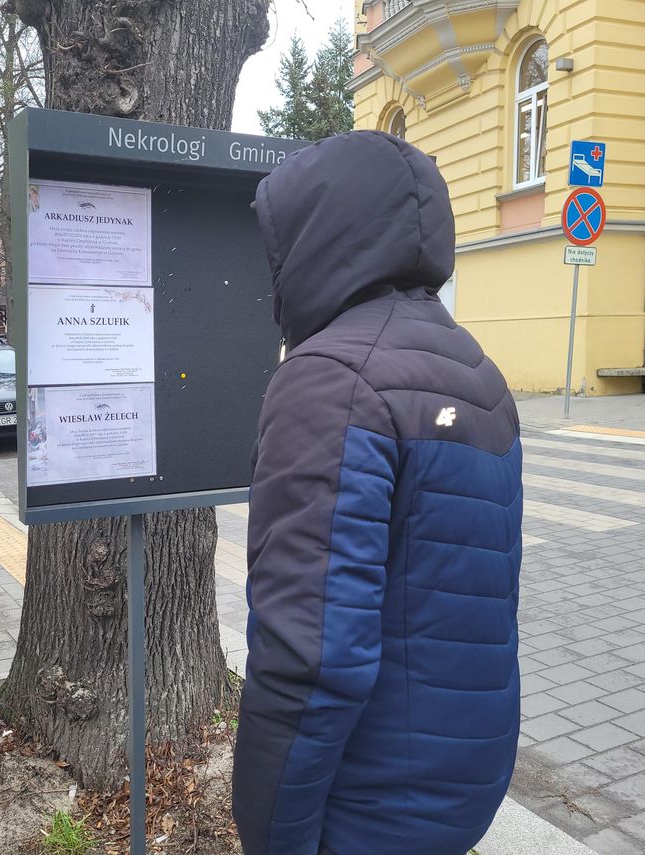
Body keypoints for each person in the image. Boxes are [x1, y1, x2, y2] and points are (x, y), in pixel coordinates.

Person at [232, 131, 523, 855]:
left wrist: (270, 837)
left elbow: (312, 657)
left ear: (315, 239)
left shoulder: (334, 378)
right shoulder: (478, 371)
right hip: (463, 779)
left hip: (372, 806)